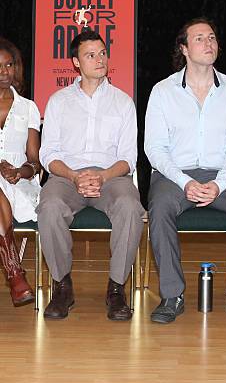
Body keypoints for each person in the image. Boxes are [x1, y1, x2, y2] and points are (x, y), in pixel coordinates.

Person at [145, 17, 226, 325]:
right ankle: (172, 295)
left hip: (220, 175)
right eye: (199, 38)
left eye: (212, 38)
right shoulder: (162, 91)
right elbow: (155, 150)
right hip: (175, 176)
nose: (208, 43)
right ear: (183, 48)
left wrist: (219, 183)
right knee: (159, 206)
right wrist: (186, 182)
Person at [38, 29, 144, 321]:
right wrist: (73, 176)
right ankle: (62, 286)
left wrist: (104, 176)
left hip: (111, 178)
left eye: (102, 53)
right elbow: (48, 154)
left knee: (130, 207)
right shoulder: (59, 101)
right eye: (90, 55)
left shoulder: (123, 102)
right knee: (48, 207)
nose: (99, 59)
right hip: (66, 177)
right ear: (75, 62)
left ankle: (116, 288)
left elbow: (128, 158)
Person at [0, 37, 41, 306]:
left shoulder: (28, 107)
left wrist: (20, 172)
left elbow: (35, 162)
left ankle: (15, 275)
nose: (4, 71)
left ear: (16, 68)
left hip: (19, 186)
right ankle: (15, 274)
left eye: (9, 64)